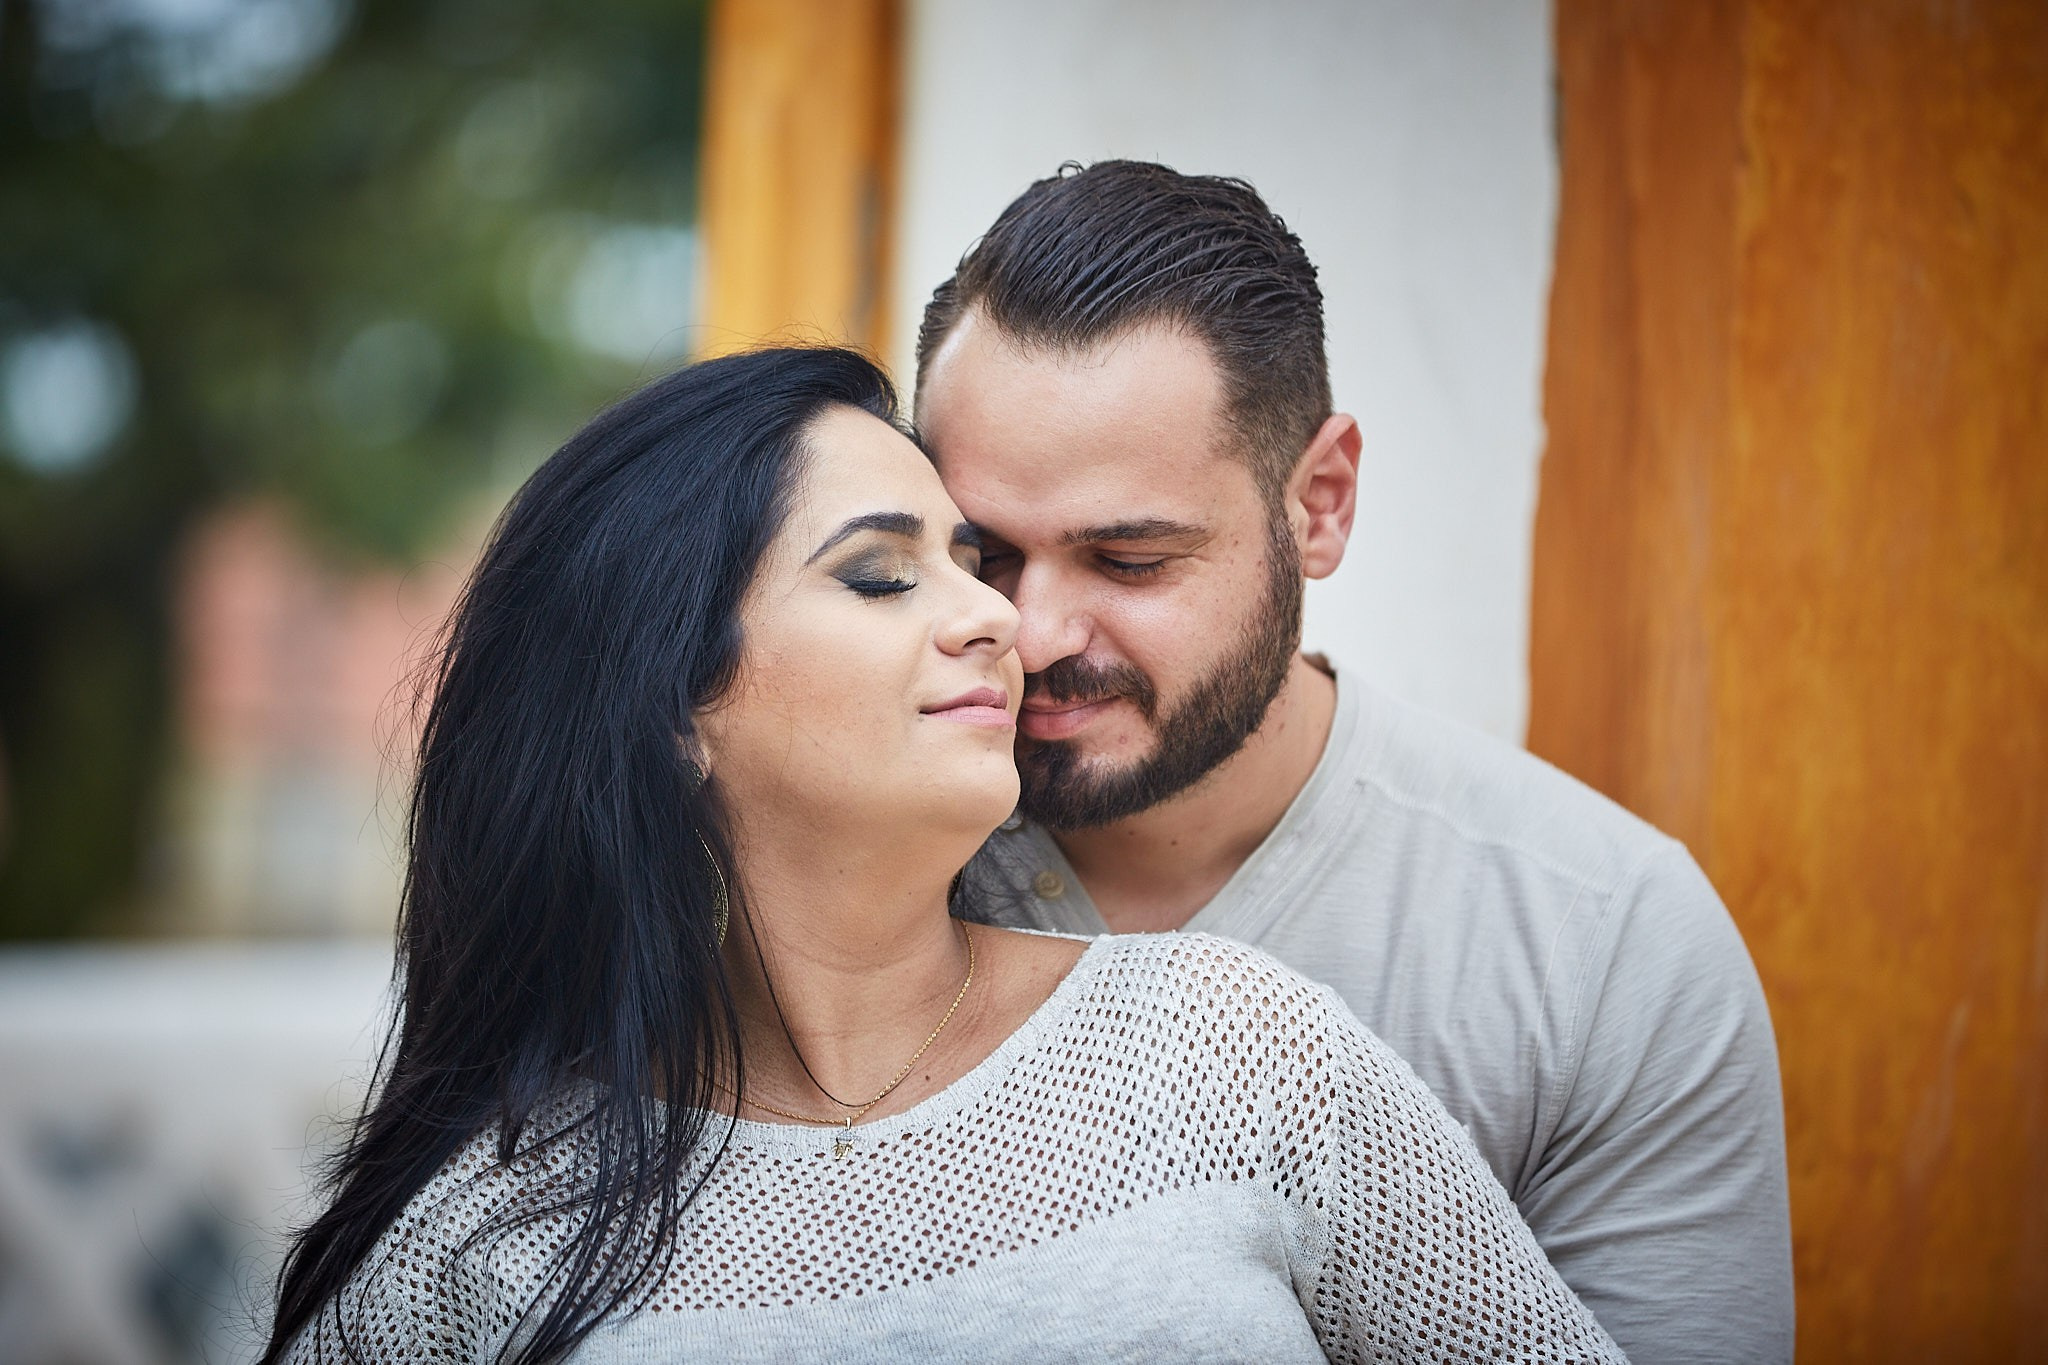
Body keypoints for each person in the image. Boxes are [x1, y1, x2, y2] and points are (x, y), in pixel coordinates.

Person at [261, 347, 1625, 1363]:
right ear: (670, 702)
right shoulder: (480, 1246)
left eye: (965, 561)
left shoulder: (1239, 1052)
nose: (997, 619)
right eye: (880, 573)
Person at [914, 161, 1794, 1365]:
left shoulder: (1601, 944)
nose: (1035, 632)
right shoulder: (830, 863)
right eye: (984, 552)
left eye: (1128, 560)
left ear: (1318, 504)